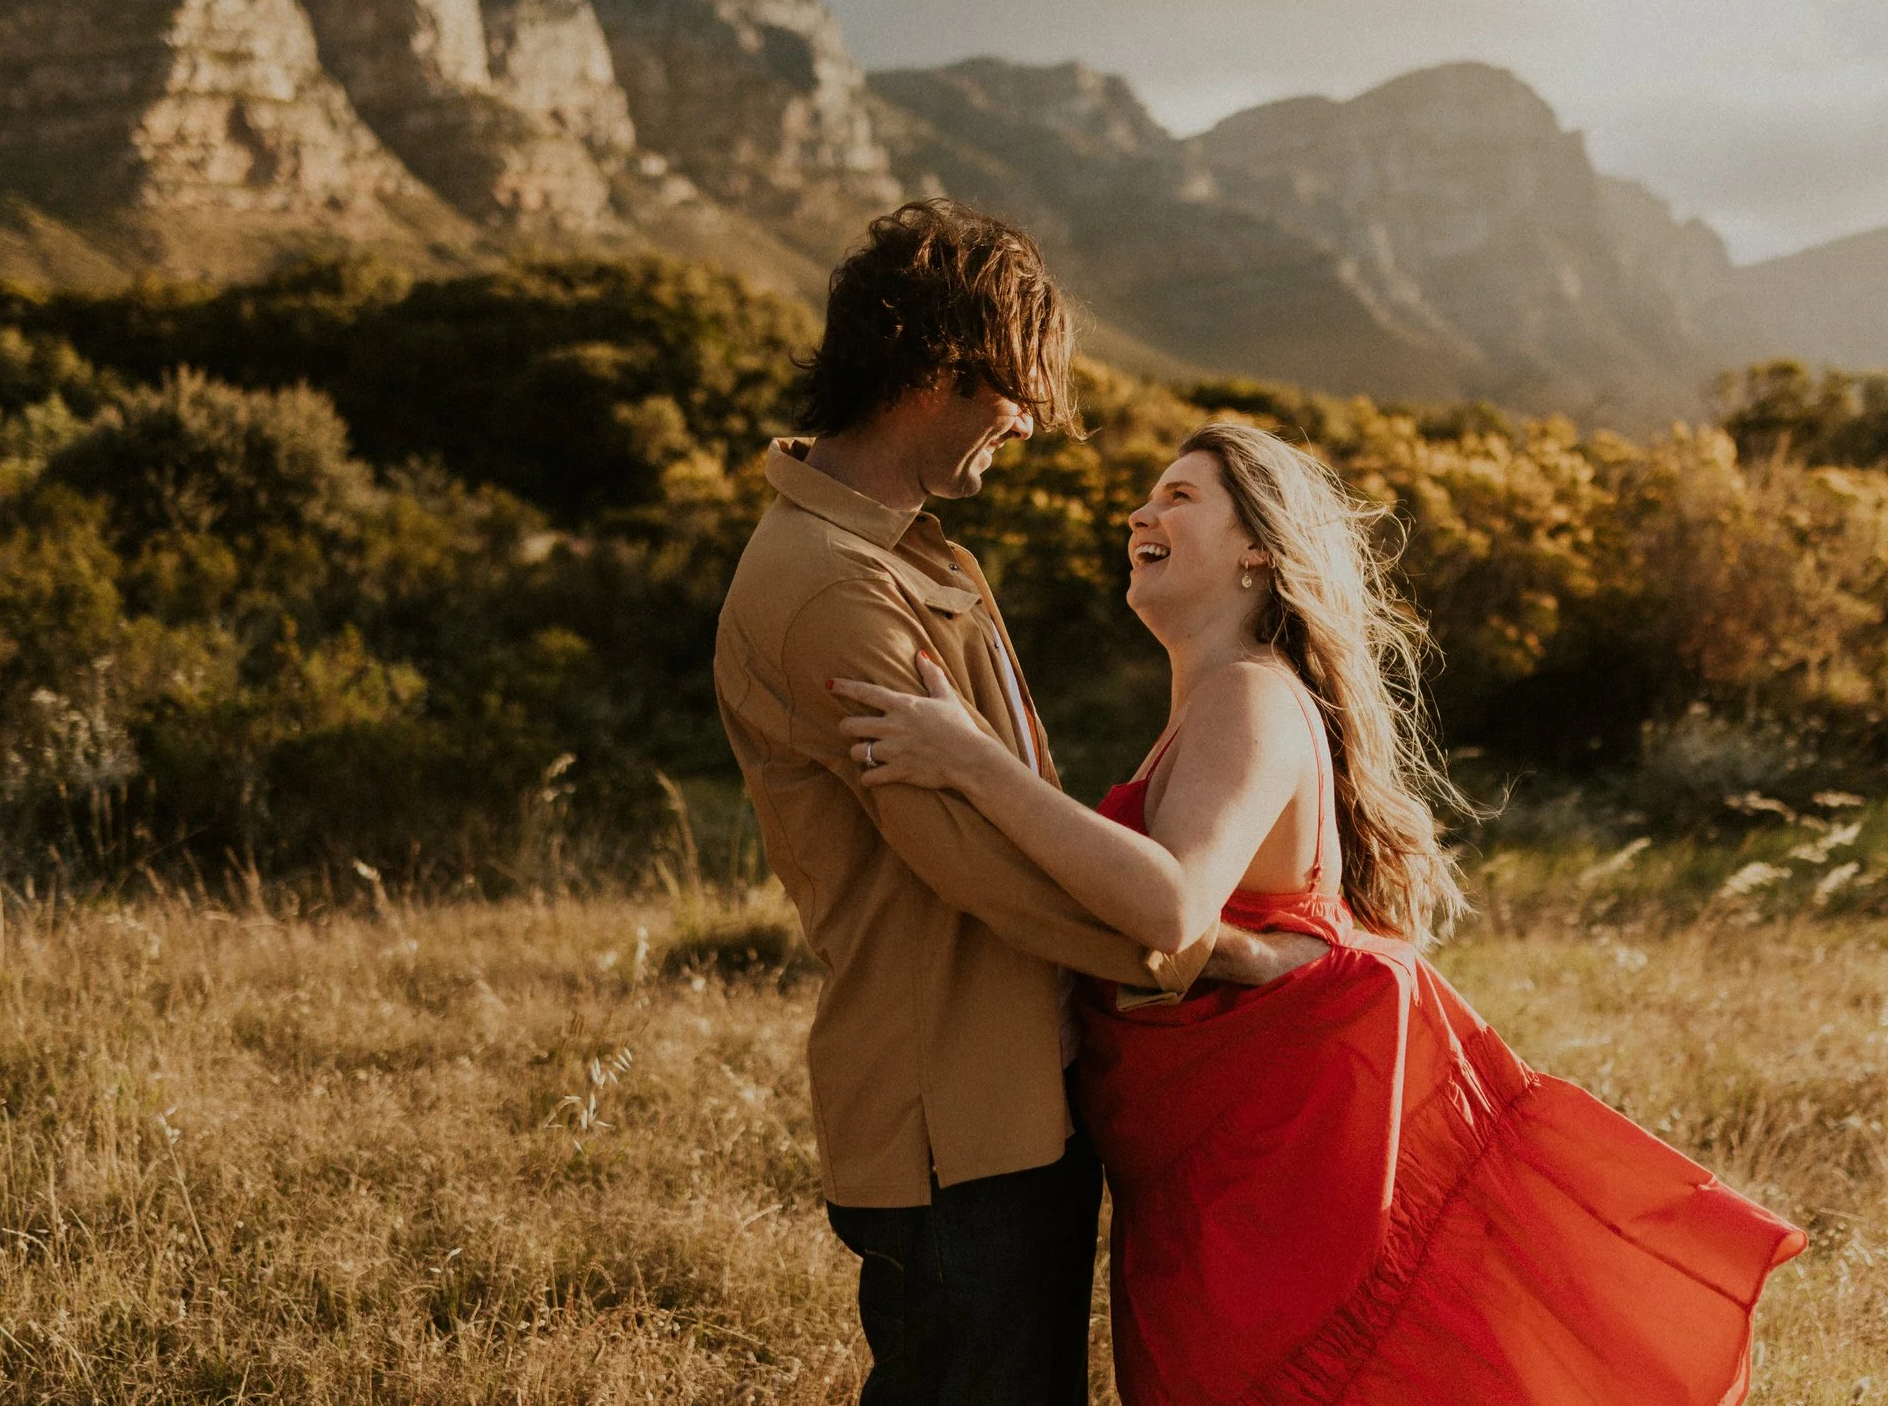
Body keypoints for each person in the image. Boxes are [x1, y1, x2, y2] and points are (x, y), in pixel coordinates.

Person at [834, 420, 1808, 1404]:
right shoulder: (1215, 703)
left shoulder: (1247, 695)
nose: (1143, 510)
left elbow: (1169, 902)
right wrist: (1241, 956)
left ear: (1258, 546)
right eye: (1148, 496)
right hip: (1206, 1187)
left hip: (1264, 1194)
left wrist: (971, 762)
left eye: (1180, 495)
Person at [712, 200, 1322, 1406]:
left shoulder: (919, 554)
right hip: (949, 1112)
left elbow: (1012, 804)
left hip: (1018, 1093)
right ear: (936, 369)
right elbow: (973, 864)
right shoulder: (828, 586)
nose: (1032, 418)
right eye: (1015, 385)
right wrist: (1212, 954)